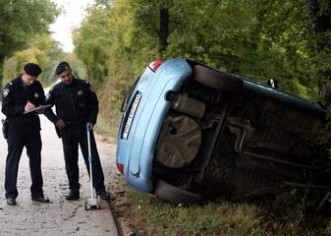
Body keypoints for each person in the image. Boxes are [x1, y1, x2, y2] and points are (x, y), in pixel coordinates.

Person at [44, 61, 110, 201]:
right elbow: (45, 107)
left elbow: (94, 104)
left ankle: (100, 190)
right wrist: (56, 120)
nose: (66, 78)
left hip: (84, 127)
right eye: (63, 76)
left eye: (68, 74)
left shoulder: (83, 85)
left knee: (92, 160)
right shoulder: (55, 91)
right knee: (70, 161)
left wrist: (92, 121)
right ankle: (74, 190)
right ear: (59, 77)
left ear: (71, 71)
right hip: (67, 130)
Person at [1, 63, 50, 205]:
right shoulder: (11, 86)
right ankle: (10, 194)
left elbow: (41, 102)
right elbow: (5, 109)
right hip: (15, 129)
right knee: (13, 161)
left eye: (34, 79)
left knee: (36, 161)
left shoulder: (37, 85)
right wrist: (23, 109)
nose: (31, 81)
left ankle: (37, 193)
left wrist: (40, 109)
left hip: (33, 129)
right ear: (24, 73)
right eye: (29, 78)